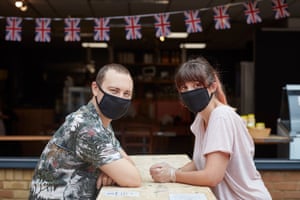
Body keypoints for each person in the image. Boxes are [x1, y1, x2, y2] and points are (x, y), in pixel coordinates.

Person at [149, 57, 271, 200]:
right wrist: (171, 171)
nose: (190, 92)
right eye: (184, 88)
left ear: (212, 86)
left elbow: (212, 176)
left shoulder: (221, 116)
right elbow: (200, 160)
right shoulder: (201, 118)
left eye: (197, 85)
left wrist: (172, 175)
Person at [29, 63, 142, 199]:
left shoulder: (99, 119)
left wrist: (111, 171)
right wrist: (115, 171)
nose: (120, 98)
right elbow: (133, 179)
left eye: (126, 93)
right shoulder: (87, 128)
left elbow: (126, 161)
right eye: (114, 91)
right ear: (95, 88)